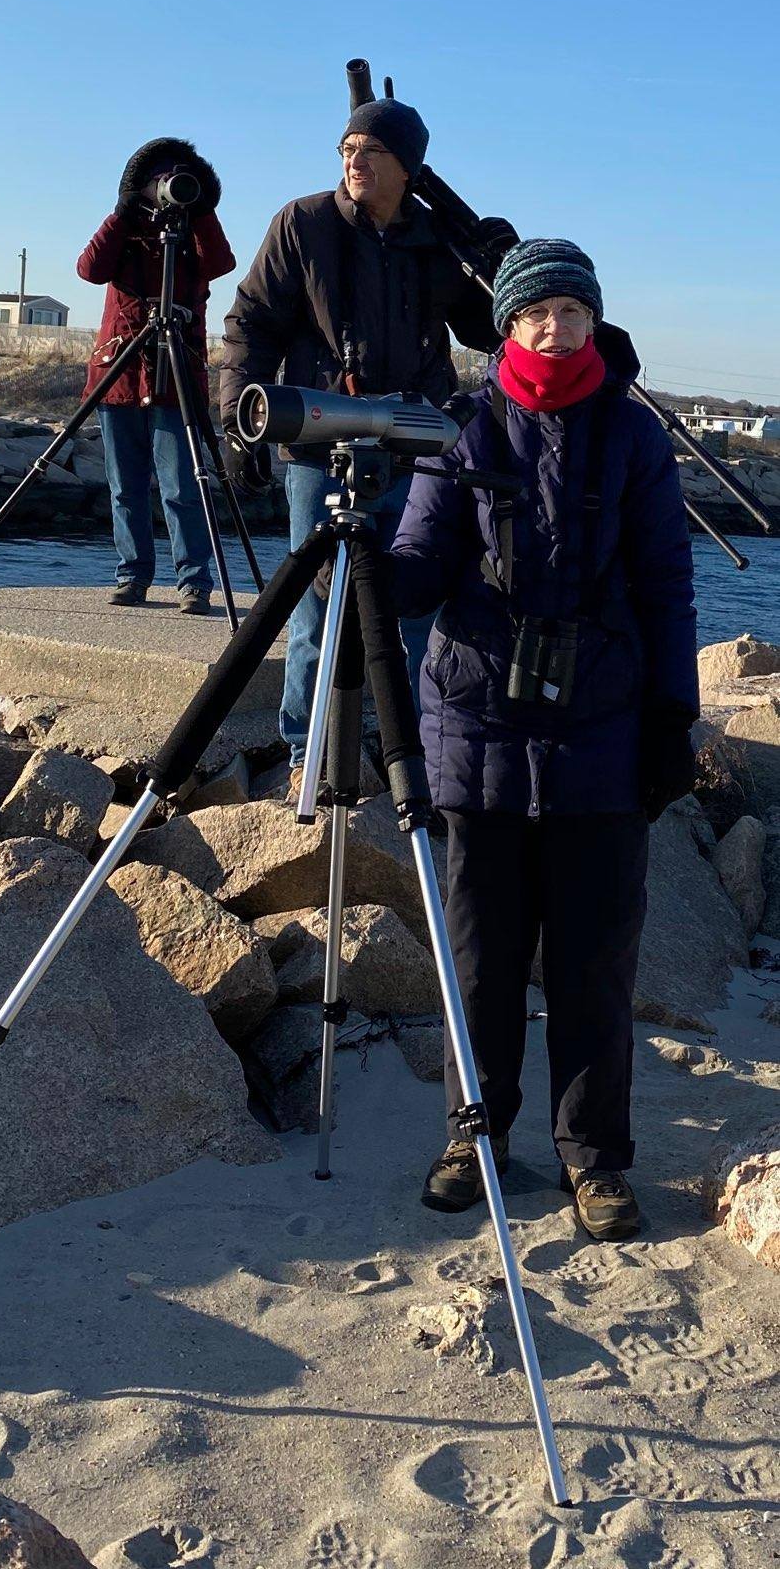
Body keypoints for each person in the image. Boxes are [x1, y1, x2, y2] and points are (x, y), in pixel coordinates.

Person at [388, 238, 698, 1240]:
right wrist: (365, 564)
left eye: (571, 310)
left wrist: (673, 717)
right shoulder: (463, 429)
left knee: (592, 963)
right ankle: (471, 1139)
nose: (555, 328)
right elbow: (419, 561)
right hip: (475, 724)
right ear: (506, 329)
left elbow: (666, 585)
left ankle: (593, 1158)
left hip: (600, 731)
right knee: (478, 959)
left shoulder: (634, 435)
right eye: (535, 313)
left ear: (592, 320)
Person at [220, 98, 517, 790]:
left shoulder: (438, 237)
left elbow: (486, 331)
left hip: (418, 443)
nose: (354, 162)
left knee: (412, 603)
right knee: (317, 607)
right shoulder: (303, 223)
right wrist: (239, 419)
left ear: (407, 166)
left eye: (371, 151)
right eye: (347, 149)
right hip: (319, 438)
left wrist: (497, 264)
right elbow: (252, 322)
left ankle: (399, 747)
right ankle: (308, 749)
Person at [77, 138, 235, 614]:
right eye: (159, 179)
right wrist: (124, 212)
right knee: (125, 487)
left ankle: (194, 582)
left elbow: (220, 263)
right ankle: (132, 576)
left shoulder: (195, 228)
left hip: (176, 373)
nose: (169, 186)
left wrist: (200, 208)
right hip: (120, 372)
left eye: (177, 177)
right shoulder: (125, 228)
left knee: (184, 486)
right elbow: (90, 269)